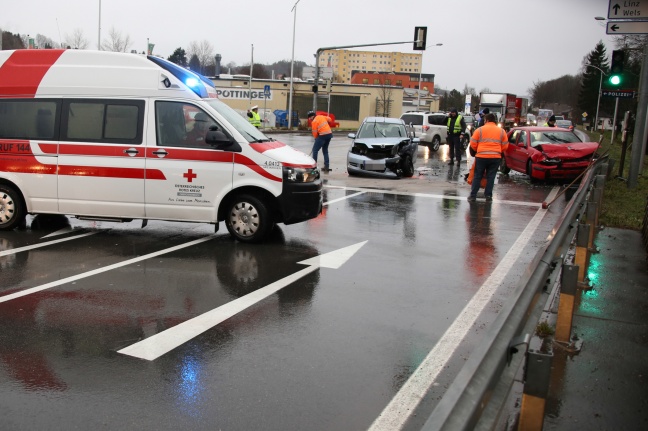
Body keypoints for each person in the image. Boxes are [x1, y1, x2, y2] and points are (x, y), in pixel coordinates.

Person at [467, 113, 509, 202]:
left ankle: (473, 195)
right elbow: (505, 146)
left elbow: (473, 143)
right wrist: (498, 151)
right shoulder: (501, 131)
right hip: (495, 157)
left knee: (477, 176)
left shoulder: (479, 130)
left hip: (481, 156)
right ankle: (488, 196)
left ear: (486, 120)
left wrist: (478, 150)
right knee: (491, 176)